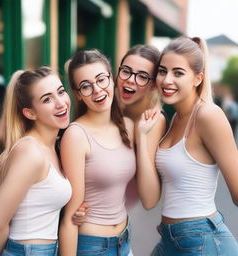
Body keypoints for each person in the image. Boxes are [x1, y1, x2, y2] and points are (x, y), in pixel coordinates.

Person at [142, 36, 238, 255]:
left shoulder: (208, 115)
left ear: (198, 78)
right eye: (163, 71)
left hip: (202, 240)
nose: (166, 80)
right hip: (171, 238)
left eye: (178, 73)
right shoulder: (175, 118)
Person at [0, 66, 72, 256]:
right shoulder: (30, 152)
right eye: (47, 99)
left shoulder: (51, 146)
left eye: (61, 92)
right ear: (30, 113)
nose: (61, 103)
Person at [59, 49, 136, 256]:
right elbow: (70, 217)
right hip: (92, 246)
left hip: (125, 241)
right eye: (86, 86)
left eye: (101, 80)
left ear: (112, 80)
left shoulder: (128, 126)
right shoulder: (76, 135)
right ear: (77, 95)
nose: (97, 90)